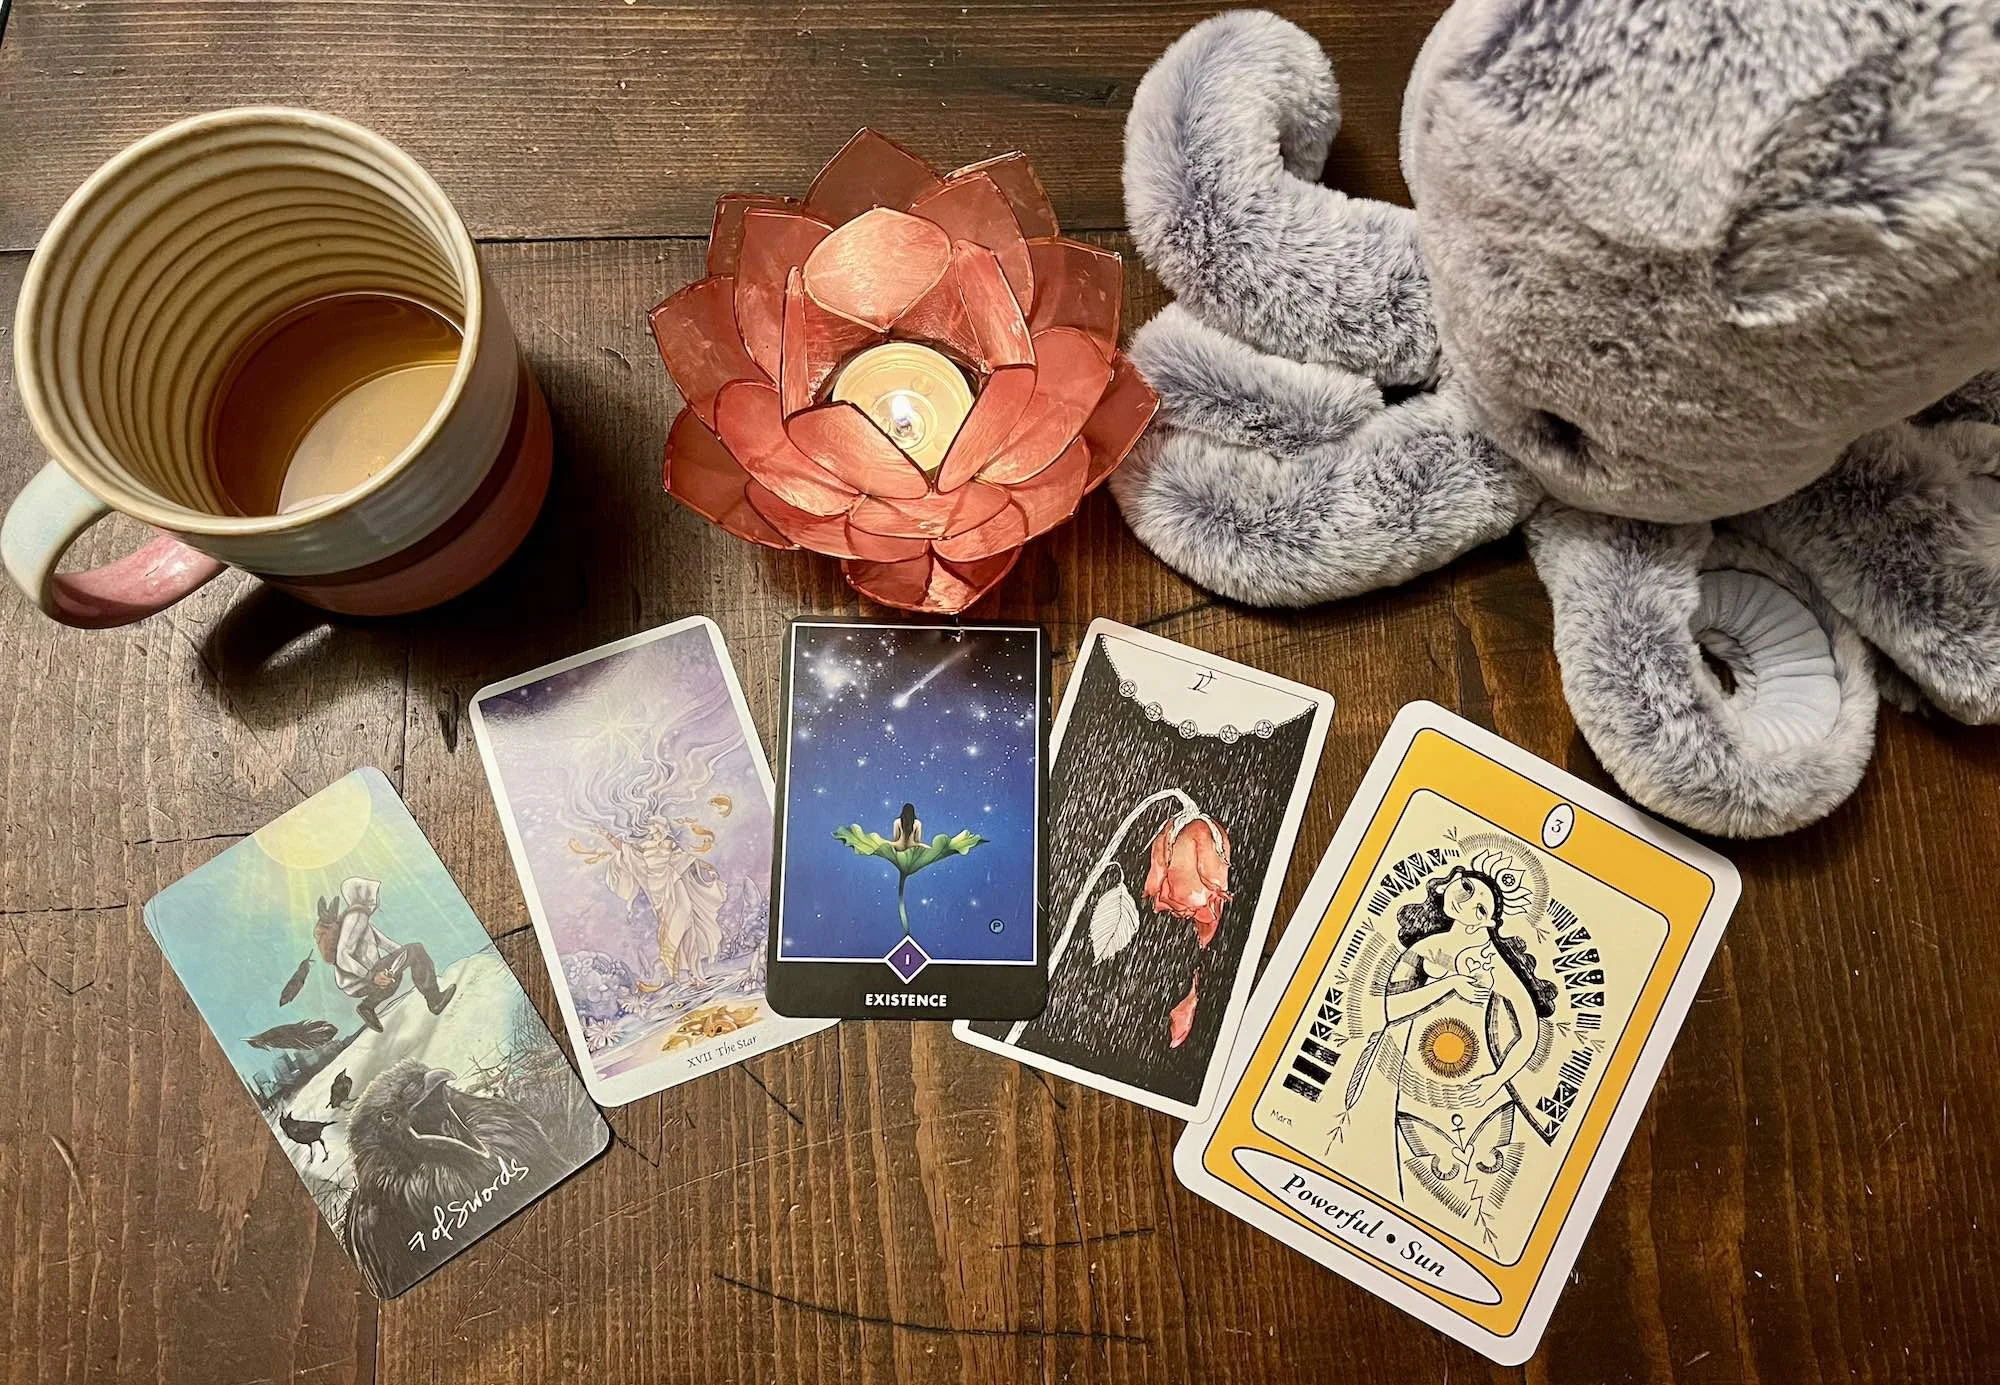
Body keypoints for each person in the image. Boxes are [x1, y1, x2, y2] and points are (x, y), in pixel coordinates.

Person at [1340, 863, 1557, 1206]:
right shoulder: (1423, 949)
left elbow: (1528, 1032)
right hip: (1417, 1088)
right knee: (1413, 1189)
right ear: (1450, 883)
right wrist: (1449, 985)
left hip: (1478, 1092)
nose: (1467, 902)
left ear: (1487, 922)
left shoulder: (1491, 960)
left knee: (1487, 1196)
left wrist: (1497, 1079)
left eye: (1482, 908)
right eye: (1468, 889)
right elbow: (1386, 1010)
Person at [594, 821, 726, 990]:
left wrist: (709, 868)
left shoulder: (669, 844)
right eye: (651, 828)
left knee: (688, 927)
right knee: (671, 933)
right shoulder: (644, 846)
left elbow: (689, 860)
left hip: (674, 885)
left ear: (662, 828)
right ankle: (682, 976)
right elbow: (625, 849)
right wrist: (606, 835)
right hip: (658, 893)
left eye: (656, 827)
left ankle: (698, 974)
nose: (653, 830)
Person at [321, 877, 457, 1033]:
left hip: (355, 983)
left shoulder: (357, 917)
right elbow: (342, 956)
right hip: (362, 979)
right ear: (364, 893)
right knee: (417, 949)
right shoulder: (357, 916)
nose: (376, 898)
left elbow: (383, 942)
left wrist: (403, 955)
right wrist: (372, 976)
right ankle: (435, 1001)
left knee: (394, 975)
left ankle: (367, 1006)